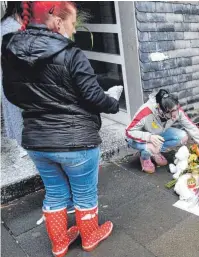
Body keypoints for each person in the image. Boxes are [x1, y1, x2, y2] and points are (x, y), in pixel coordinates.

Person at [2, 2, 123, 256]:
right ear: (58, 22)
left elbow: (12, 94)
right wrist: (113, 102)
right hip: (77, 141)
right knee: (85, 194)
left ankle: (59, 243)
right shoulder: (71, 53)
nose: (74, 29)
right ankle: (89, 237)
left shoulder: (11, 49)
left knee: (55, 193)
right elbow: (92, 96)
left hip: (37, 141)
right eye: (72, 22)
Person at [126, 89, 199, 173]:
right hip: (139, 138)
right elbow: (129, 132)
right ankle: (145, 156)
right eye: (172, 113)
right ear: (161, 110)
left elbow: (192, 128)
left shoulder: (175, 110)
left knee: (182, 136)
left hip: (158, 133)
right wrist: (149, 137)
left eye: (176, 109)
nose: (175, 116)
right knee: (151, 147)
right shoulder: (146, 111)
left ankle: (156, 152)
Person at [1, 2, 27, 158]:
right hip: (13, 76)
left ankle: (23, 143)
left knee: (17, 110)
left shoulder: (16, 23)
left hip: (17, 76)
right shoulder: (9, 26)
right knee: (16, 110)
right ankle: (22, 145)